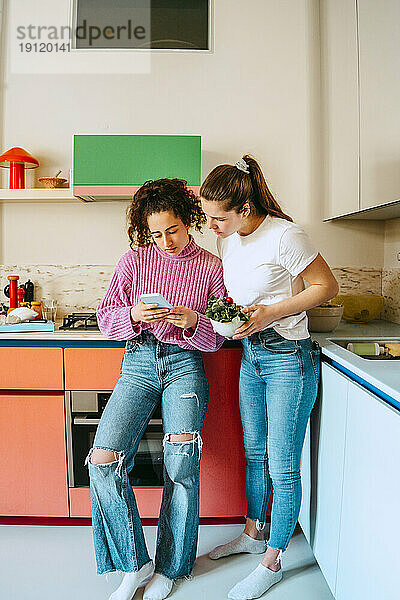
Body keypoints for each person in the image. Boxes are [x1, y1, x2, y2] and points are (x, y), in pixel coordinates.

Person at [200, 155, 339, 600]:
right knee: (255, 453)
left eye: (218, 218)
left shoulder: (285, 234)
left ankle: (272, 560)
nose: (211, 226)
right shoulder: (231, 241)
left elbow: (326, 286)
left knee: (282, 463)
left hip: (288, 359)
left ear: (245, 209)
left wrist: (271, 313)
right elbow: (242, 296)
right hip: (252, 355)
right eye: (207, 216)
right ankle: (253, 532)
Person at [87, 178, 225, 600]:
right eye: (156, 232)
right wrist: (132, 311)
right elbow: (104, 317)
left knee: (181, 459)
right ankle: (136, 562)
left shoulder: (211, 267)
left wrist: (192, 321)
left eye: (173, 230)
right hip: (139, 362)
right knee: (102, 459)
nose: (165, 241)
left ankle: (172, 567)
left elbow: (220, 334)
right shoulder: (133, 262)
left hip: (185, 364)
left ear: (189, 221)